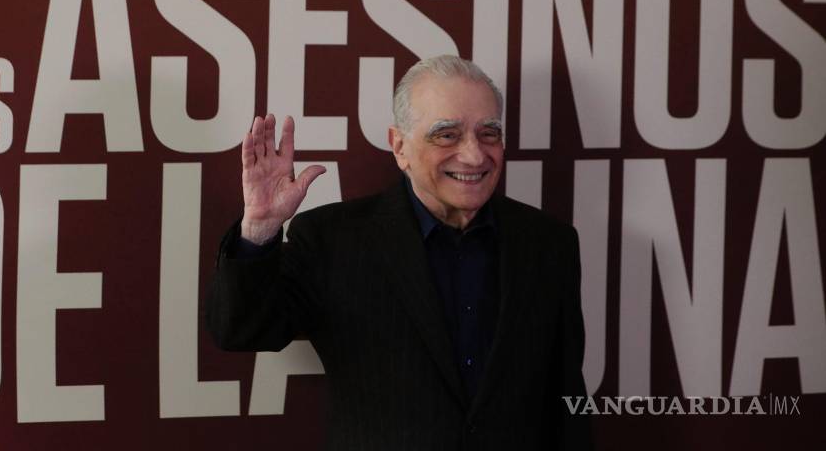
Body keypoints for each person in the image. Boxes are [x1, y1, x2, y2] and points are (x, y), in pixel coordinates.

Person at [206, 55, 592, 450]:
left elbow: (566, 398)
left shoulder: (549, 244)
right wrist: (259, 228)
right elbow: (241, 330)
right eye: (447, 135)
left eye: (488, 133)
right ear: (400, 146)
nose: (475, 155)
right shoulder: (333, 239)